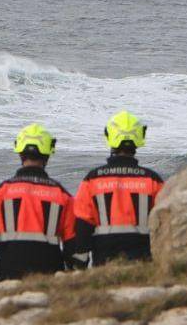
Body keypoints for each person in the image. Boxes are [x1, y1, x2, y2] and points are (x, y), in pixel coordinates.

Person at [0, 124, 81, 292]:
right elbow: (73, 243)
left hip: (7, 273)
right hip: (49, 274)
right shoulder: (63, 196)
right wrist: (74, 274)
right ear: (47, 154)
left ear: (20, 153)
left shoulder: (0, 192)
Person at [70, 111, 165, 266]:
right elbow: (164, 221)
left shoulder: (92, 179)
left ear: (109, 137)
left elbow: (83, 224)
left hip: (103, 259)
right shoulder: (152, 179)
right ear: (139, 137)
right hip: (143, 260)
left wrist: (80, 262)